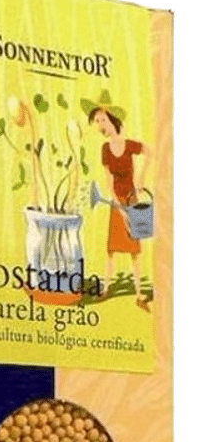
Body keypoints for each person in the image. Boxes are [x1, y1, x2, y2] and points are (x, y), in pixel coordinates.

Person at [83, 93, 150, 310]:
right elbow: (109, 184)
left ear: (112, 119)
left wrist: (141, 179)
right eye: (97, 121)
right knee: (111, 249)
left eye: (102, 119)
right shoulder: (105, 150)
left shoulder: (129, 145)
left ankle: (139, 295)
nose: (100, 125)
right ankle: (106, 289)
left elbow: (149, 151)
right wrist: (120, 209)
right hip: (117, 202)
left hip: (133, 200)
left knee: (134, 251)